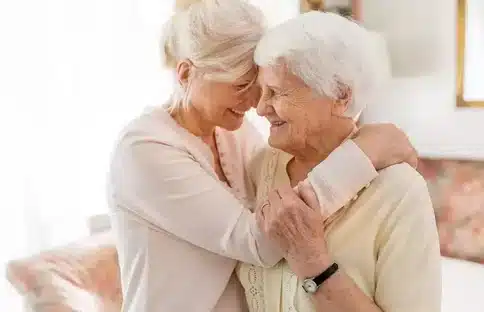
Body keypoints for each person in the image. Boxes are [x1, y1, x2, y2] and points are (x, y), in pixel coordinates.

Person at [107, 1, 418, 311]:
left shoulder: (231, 132)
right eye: (241, 86)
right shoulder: (144, 150)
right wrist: (364, 152)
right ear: (187, 73)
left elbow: (282, 188)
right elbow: (261, 241)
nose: (255, 103)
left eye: (260, 85)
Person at [240, 11, 441, 312]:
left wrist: (314, 264)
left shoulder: (399, 192)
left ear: (340, 96)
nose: (260, 107)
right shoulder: (260, 166)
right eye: (261, 91)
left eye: (277, 92)